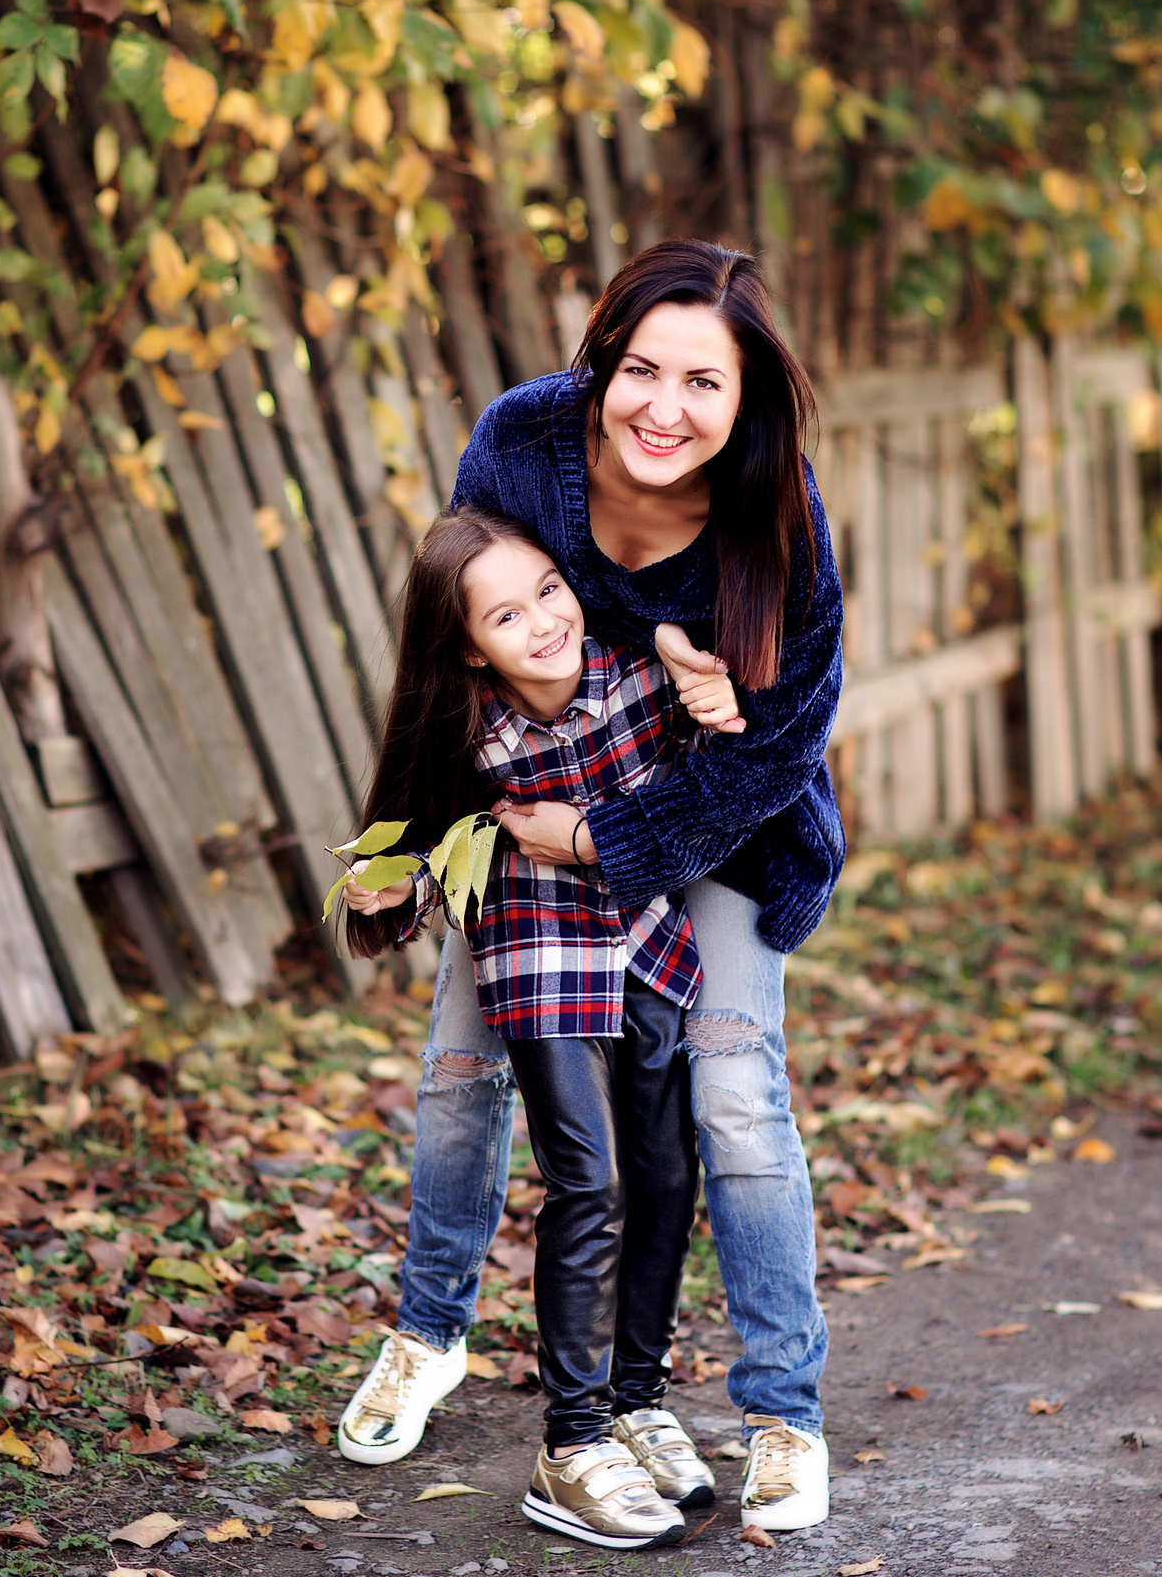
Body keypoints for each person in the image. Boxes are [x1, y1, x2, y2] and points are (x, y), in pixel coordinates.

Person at [337, 242, 845, 1535]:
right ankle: (431, 1329)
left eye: (703, 383)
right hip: (529, 822)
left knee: (727, 1094)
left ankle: (781, 1413)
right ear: (601, 365)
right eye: (640, 371)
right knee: (462, 1066)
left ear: (748, 402)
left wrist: (607, 835)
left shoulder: (777, 518)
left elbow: (780, 750)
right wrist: (404, 849)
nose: (664, 408)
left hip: (713, 830)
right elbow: (456, 644)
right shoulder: (523, 444)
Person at [337, 506, 729, 1550]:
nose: (543, 620)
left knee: (662, 1177)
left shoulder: (642, 683)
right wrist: (388, 893)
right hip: (541, 969)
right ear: (471, 645)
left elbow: (717, 784)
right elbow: (418, 854)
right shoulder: (467, 739)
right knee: (589, 1181)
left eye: (549, 589)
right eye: (507, 616)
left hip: (650, 952)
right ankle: (572, 1441)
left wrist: (720, 698)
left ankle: (637, 1403)